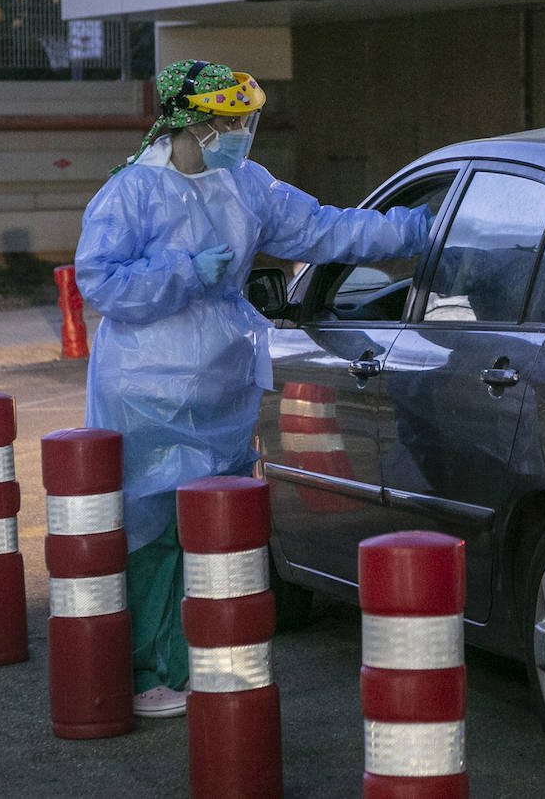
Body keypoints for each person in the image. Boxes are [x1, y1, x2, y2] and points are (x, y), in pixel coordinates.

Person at [73, 60, 432, 718]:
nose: (242, 132)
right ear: (190, 122)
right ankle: (150, 672)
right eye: (230, 121)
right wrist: (180, 270)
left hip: (223, 385)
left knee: (219, 531)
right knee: (154, 533)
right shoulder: (129, 194)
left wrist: (409, 230)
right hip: (149, 391)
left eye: (246, 119)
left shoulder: (247, 184)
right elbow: (99, 283)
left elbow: (325, 229)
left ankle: (212, 661)